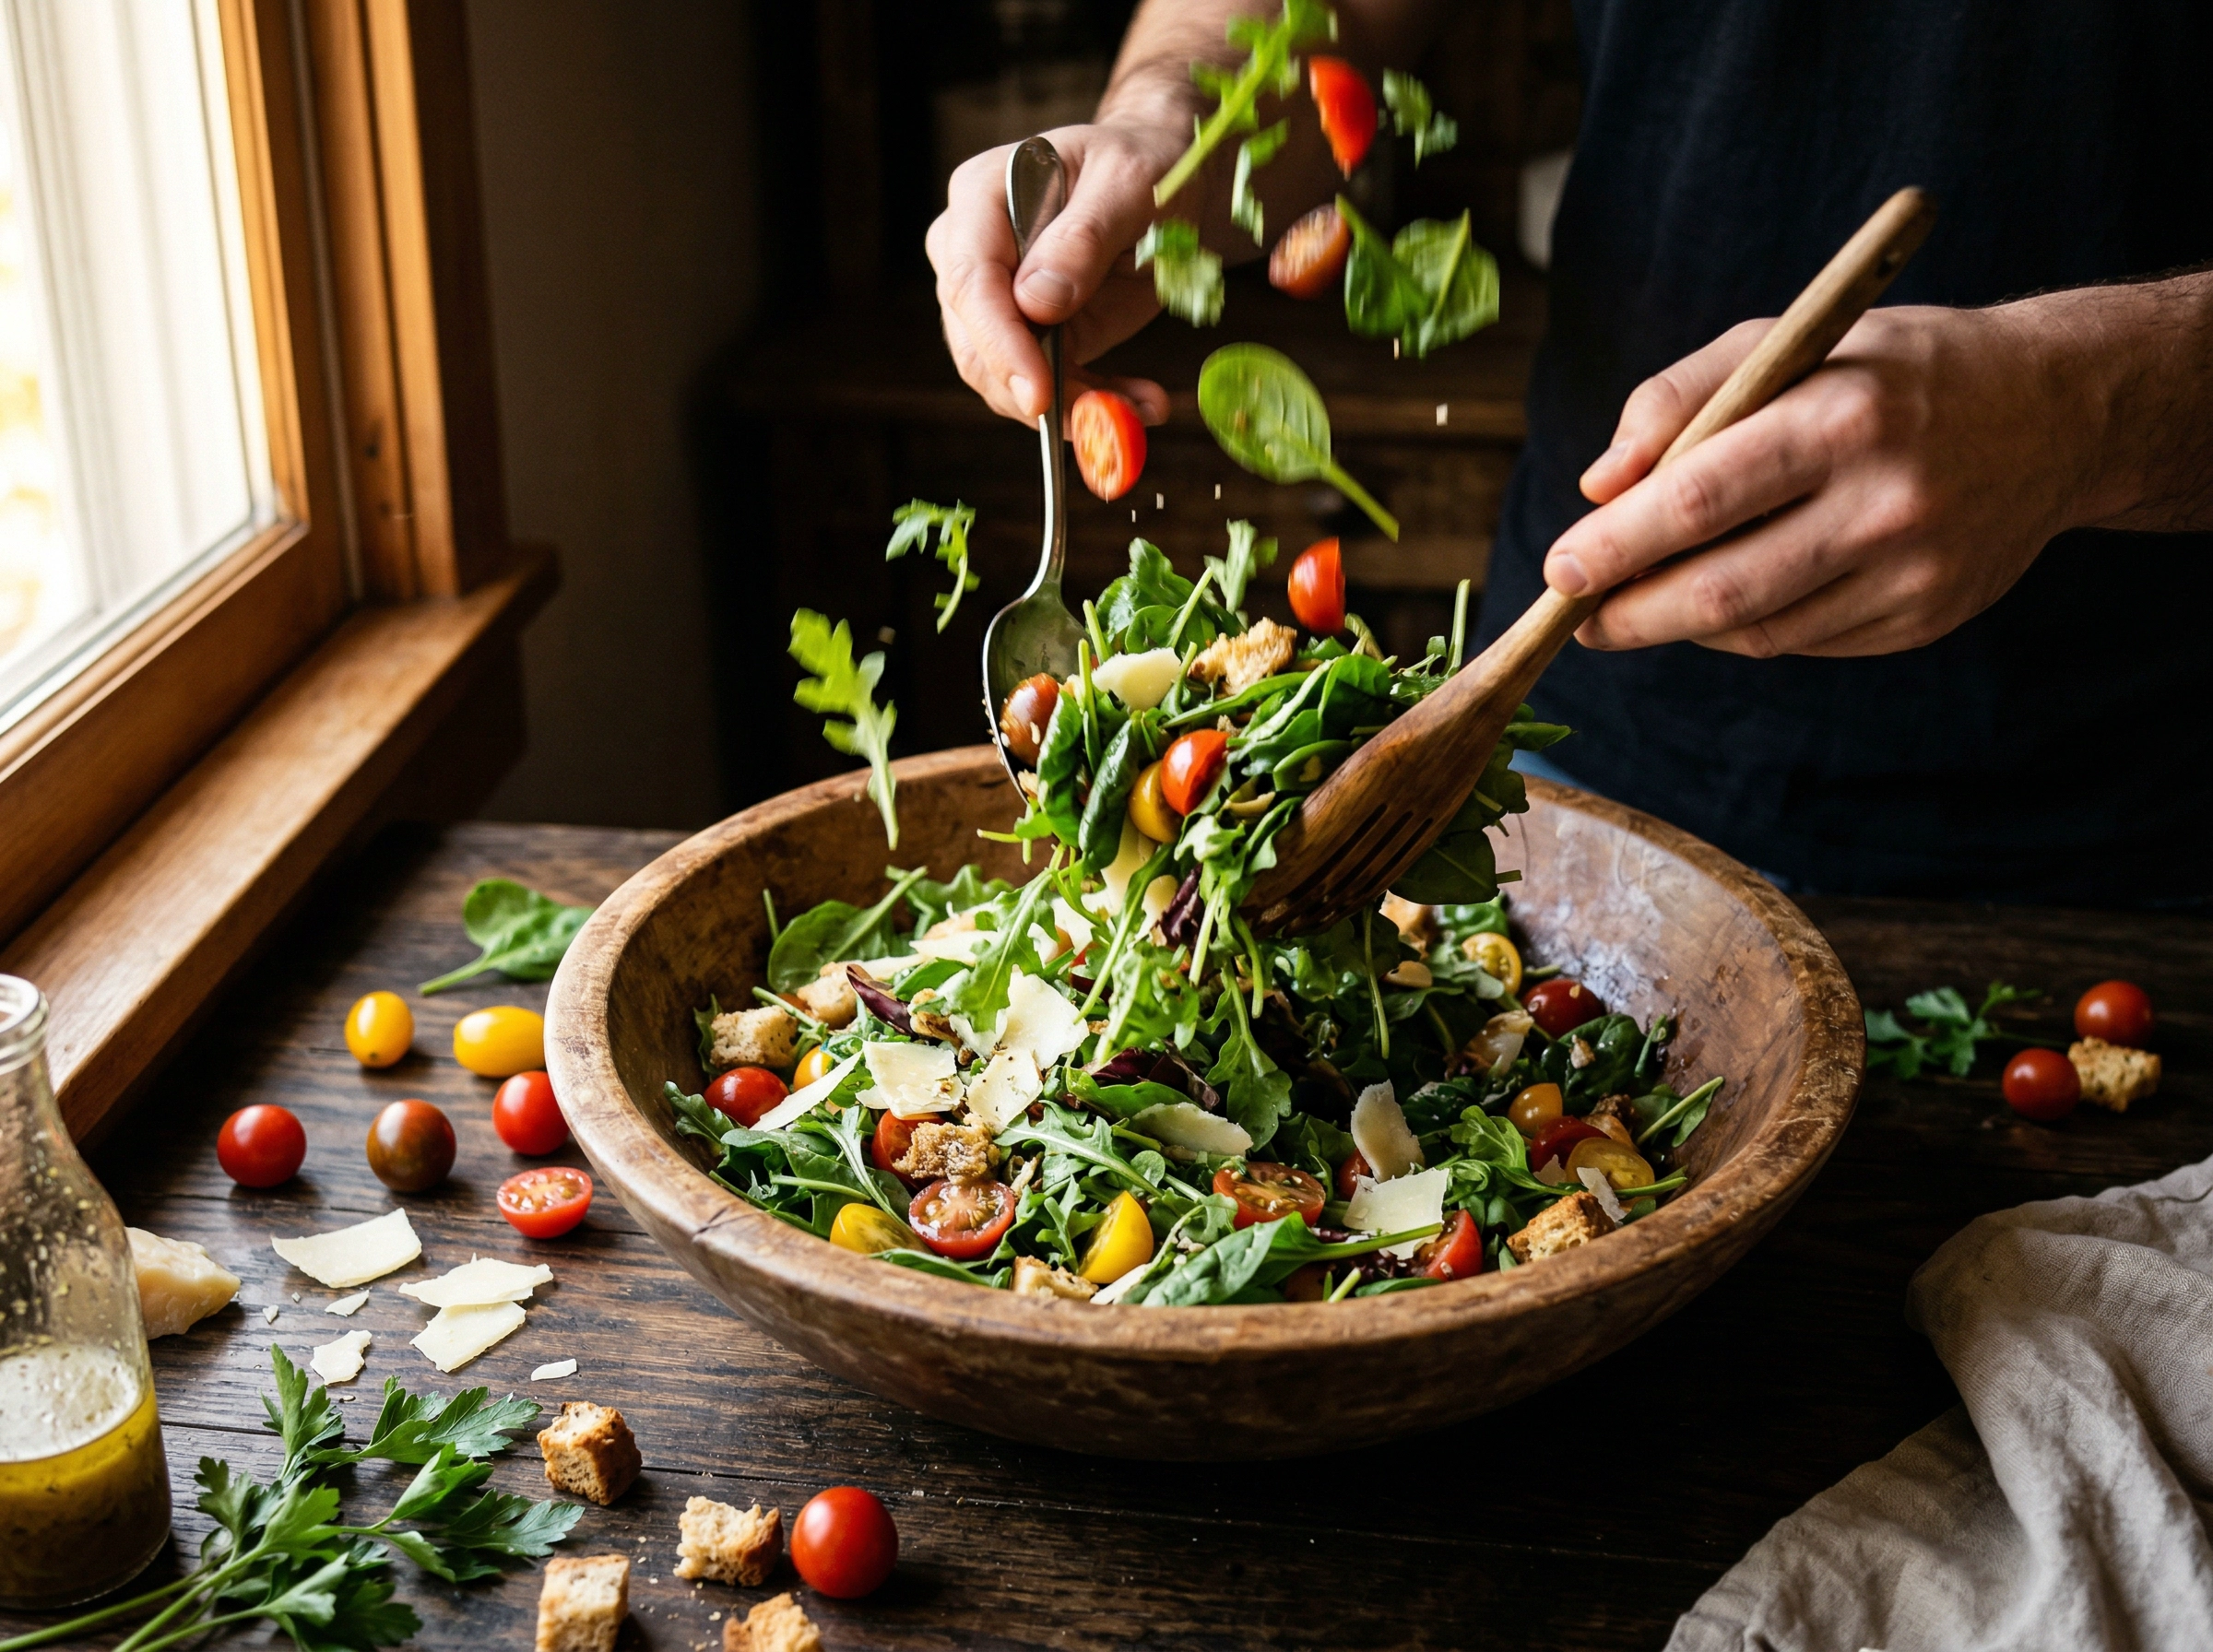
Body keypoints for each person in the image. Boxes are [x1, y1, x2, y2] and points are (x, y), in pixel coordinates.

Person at [927, 0, 2213, 905]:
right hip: (1555, 755)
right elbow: (1331, 18)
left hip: (2143, 846)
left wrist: (2092, 408)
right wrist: (1171, 123)